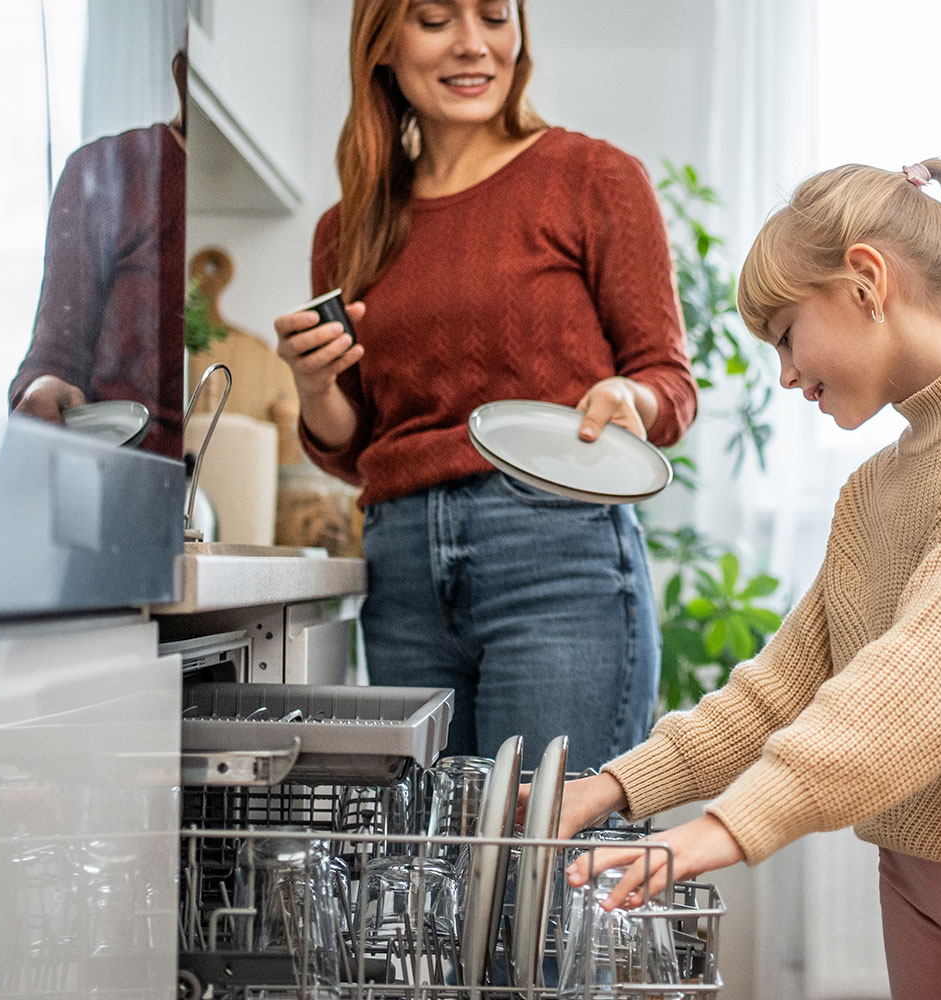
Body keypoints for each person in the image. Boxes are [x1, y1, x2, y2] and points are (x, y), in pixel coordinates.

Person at [542, 160, 941, 1000]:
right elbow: (783, 688)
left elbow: (924, 682)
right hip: (916, 880)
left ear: (866, 281)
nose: (784, 375)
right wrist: (606, 789)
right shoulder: (875, 488)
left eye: (787, 335)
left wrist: (720, 831)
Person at [276, 0, 696, 772]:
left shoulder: (593, 177)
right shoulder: (349, 228)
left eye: (495, 16)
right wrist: (314, 386)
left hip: (556, 552)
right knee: (431, 875)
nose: (474, 46)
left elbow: (668, 383)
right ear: (383, 47)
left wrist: (630, 399)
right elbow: (359, 447)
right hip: (400, 569)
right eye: (436, 20)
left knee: (546, 865)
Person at [10, 53, 187, 457]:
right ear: (180, 70)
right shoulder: (113, 170)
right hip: (117, 477)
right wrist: (43, 391)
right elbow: (55, 359)